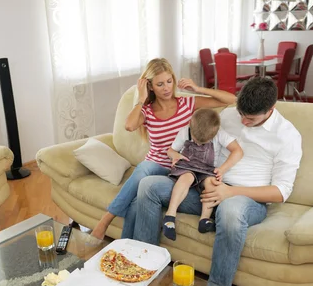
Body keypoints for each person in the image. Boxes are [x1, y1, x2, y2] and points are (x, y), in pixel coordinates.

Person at [121, 77, 302, 286]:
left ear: (270, 111)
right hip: (204, 186)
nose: (243, 122)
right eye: (241, 114)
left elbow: (281, 192)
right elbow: (196, 124)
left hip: (245, 198)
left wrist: (230, 192)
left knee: (229, 211)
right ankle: (144, 270)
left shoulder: (287, 136)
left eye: (250, 119)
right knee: (149, 186)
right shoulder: (228, 116)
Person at [90, 58, 236, 240]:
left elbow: (232, 99)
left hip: (180, 169)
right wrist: (141, 100)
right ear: (150, 86)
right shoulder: (147, 111)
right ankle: (121, 244)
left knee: (137, 199)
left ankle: (108, 224)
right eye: (160, 84)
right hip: (155, 166)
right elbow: (128, 126)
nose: (167, 88)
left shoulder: (187, 103)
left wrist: (198, 89)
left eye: (169, 81)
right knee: (142, 177)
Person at [163, 108, 243, 240]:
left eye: (203, 143)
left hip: (206, 170)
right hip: (187, 166)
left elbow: (238, 151)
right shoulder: (185, 131)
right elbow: (170, 151)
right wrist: (175, 156)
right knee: (186, 177)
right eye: (196, 140)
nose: (199, 144)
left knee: (212, 183)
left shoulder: (220, 134)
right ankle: (170, 216)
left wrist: (222, 169)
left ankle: (204, 219)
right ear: (190, 125)